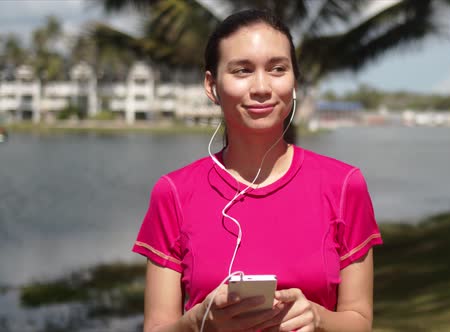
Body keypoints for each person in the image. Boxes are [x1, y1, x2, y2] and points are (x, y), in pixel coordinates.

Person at [132, 9, 382, 332]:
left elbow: (359, 321)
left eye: (278, 69)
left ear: (294, 80)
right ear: (212, 86)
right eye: (242, 71)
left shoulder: (345, 185)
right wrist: (200, 321)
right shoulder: (174, 193)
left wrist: (317, 318)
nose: (262, 87)